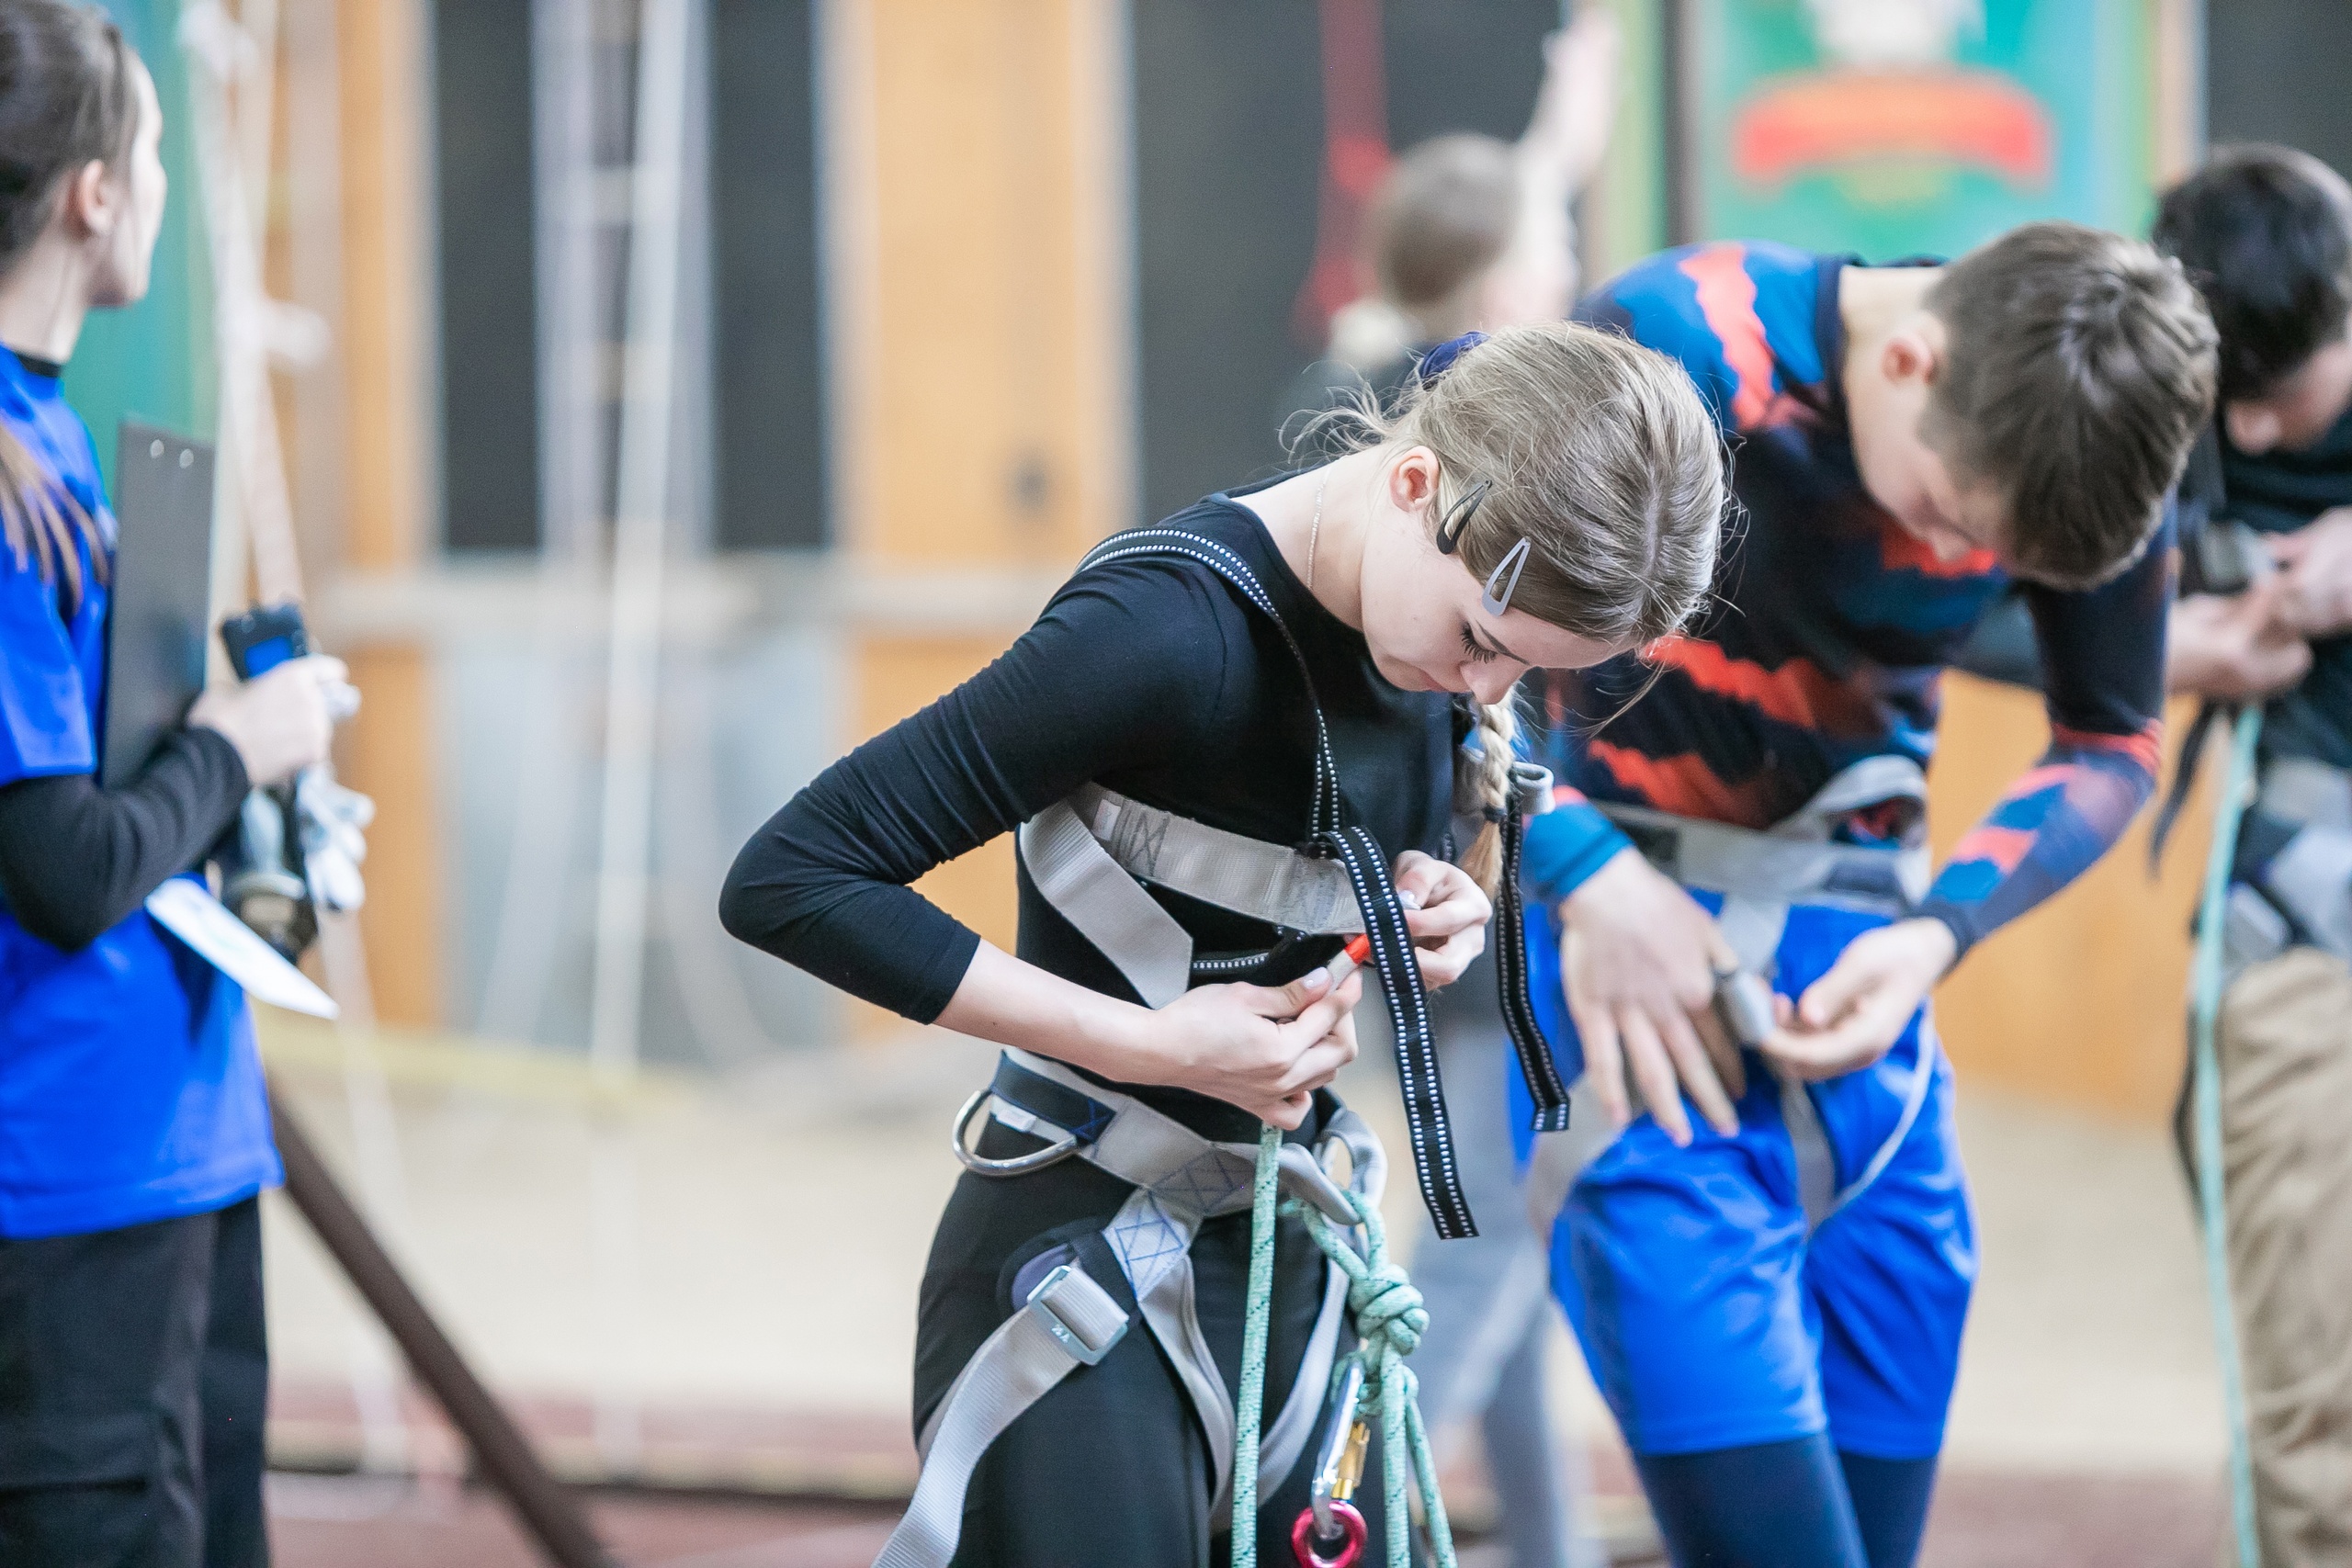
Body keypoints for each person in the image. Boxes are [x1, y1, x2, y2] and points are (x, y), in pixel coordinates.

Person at [721, 321, 1727, 1567]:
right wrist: (1150, 1045)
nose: (1483, 690)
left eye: (1528, 672)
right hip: (1077, 1274)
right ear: (1416, 484)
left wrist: (1435, 907)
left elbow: (1284, 867)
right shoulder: (1163, 630)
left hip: (1293, 1272)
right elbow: (792, 877)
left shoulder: (1425, 631)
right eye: (1482, 642)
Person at [1508, 224, 2217, 1568]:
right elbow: (1414, 640)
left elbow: (2112, 738)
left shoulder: (2103, 420)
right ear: (1908, 360)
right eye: (1953, 517)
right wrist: (1582, 870)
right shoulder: (1683, 344)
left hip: (1870, 1006)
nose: (1959, 560)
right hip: (1641, 991)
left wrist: (1938, 936)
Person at [0, 4, 348, 1563]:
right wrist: (238, 747)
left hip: (171, 1141)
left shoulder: (50, 440)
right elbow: (64, 870)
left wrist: (230, 763)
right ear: (93, 194)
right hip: (65, 1173)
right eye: (149, 152)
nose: (156, 183)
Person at [1284, 19, 1624, 1567]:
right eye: (1553, 251)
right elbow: (1503, 291)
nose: (1572, 272)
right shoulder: (1482, 418)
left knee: (1505, 1259)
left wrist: (1564, 128)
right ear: (1500, 289)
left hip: (1422, 900)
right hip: (1485, 923)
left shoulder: (1371, 393)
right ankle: (1343, 1517)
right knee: (1488, 1248)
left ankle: (1540, 1544)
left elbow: (1487, 239)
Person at [2152, 143, 2352, 1566]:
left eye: (2284, 392)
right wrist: (2174, 647)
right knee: (2310, 1390)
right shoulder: (2156, 397)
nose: (2256, 432)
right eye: (2231, 398)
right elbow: (1985, 591)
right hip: (2296, 917)